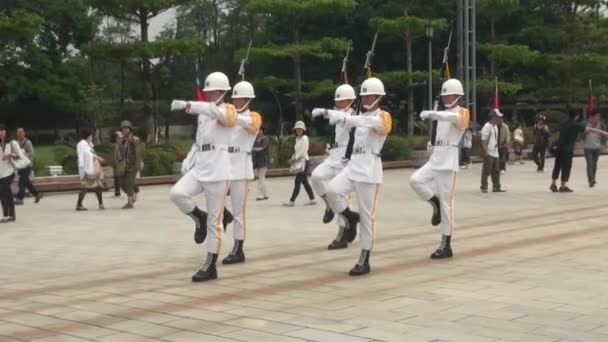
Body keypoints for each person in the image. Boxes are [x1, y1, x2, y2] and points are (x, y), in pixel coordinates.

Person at [315, 77, 392, 276]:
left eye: (370, 96)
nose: (366, 99)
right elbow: (349, 118)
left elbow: (370, 123)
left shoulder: (384, 117)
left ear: (378, 97)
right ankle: (350, 217)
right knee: (332, 191)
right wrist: (327, 112)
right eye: (364, 96)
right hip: (353, 165)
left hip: (369, 170)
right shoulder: (357, 115)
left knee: (368, 218)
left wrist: (343, 117)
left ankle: (364, 259)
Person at [169, 71, 236, 282]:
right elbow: (199, 141)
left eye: (212, 91)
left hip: (218, 170)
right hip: (201, 164)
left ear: (223, 92)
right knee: (177, 193)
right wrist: (190, 159)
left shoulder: (229, 110)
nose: (208, 95)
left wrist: (190, 105)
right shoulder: (204, 114)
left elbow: (221, 116)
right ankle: (199, 216)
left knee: (215, 223)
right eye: (207, 91)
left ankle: (210, 265)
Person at [410, 79, 470, 260]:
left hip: (447, 165)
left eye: (448, 95)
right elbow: (441, 132)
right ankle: (433, 202)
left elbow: (455, 119)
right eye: (444, 95)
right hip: (435, 160)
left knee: (447, 205)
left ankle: (446, 244)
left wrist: (435, 114)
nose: (445, 98)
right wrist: (433, 144)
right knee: (415, 181)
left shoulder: (463, 113)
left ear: (457, 96)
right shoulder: (442, 114)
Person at [221, 81, 262, 265]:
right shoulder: (231, 115)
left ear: (247, 99)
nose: (235, 101)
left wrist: (231, 115)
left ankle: (238, 249)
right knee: (213, 200)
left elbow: (251, 125)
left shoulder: (253, 116)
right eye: (234, 98)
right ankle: (224, 215)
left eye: (239, 98)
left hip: (241, 168)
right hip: (223, 165)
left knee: (239, 212)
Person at [311, 84, 356, 250]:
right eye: (337, 101)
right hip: (334, 156)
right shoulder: (338, 113)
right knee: (316, 176)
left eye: (342, 100)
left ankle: (342, 233)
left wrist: (325, 111)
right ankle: (328, 203)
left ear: (350, 100)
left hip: (346, 158)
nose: (339, 103)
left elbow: (345, 118)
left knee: (343, 197)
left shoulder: (353, 114)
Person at [550, 110, 608, 192]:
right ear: (576, 116)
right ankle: (563, 186)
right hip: (567, 149)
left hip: (559, 148)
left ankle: (553, 183)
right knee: (566, 167)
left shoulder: (563, 123)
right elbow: (590, 129)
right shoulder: (575, 125)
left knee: (557, 166)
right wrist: (603, 132)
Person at [283, 121, 316, 207]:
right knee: (304, 182)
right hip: (299, 161)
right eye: (297, 129)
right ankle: (312, 199)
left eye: (300, 129)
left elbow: (303, 151)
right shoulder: (297, 139)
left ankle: (292, 201)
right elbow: (296, 151)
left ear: (303, 130)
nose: (299, 130)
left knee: (297, 181)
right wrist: (292, 157)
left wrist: (294, 159)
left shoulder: (305, 138)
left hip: (304, 161)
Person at [114, 121, 143, 209]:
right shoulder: (120, 139)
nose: (125, 130)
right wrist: (120, 139)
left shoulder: (135, 139)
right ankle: (134, 191)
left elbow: (137, 149)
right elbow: (120, 151)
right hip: (122, 165)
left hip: (133, 164)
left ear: (130, 129)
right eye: (123, 128)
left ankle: (130, 203)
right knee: (122, 184)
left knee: (128, 183)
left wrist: (141, 162)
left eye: (127, 128)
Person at [76, 130, 105, 211]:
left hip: (92, 168)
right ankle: (79, 205)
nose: (92, 137)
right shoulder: (82, 144)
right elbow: (88, 155)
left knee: (97, 186)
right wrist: (98, 158)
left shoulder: (88, 144)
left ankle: (100, 203)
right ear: (88, 136)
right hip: (86, 168)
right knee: (85, 187)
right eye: (91, 136)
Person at [14, 127, 42, 205]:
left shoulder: (27, 142)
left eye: (21, 132)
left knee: (21, 182)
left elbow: (32, 153)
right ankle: (37, 194)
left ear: (24, 133)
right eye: (18, 132)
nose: (19, 134)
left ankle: (20, 199)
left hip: (27, 165)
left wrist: (23, 155)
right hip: (20, 166)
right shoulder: (16, 143)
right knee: (27, 182)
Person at [480, 109, 505, 193]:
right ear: (493, 118)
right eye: (498, 117)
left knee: (496, 170)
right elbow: (483, 140)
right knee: (487, 170)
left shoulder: (495, 127)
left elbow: (494, 138)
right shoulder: (487, 126)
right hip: (489, 151)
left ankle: (496, 186)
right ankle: (484, 186)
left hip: (495, 152)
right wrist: (485, 150)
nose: (499, 119)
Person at [584, 112, 606, 187]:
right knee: (590, 164)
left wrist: (603, 143)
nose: (598, 118)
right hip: (588, 147)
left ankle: (593, 178)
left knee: (594, 164)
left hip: (597, 147)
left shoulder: (601, 124)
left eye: (599, 116)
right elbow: (581, 133)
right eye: (597, 116)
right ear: (592, 117)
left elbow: (604, 135)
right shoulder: (586, 124)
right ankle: (591, 180)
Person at [0, 125, 16, 223]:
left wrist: (10, 155)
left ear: (6, 132)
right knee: (8, 194)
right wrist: (8, 155)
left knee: (3, 192)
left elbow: (17, 154)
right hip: (1, 173)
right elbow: (2, 157)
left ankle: (5, 215)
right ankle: (12, 216)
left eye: (2, 130)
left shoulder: (11, 143)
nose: (1, 132)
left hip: (9, 172)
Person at [252, 126, 270, 201]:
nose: (258, 131)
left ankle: (260, 195)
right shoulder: (255, 139)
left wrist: (253, 149)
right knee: (261, 178)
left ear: (262, 131)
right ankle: (265, 194)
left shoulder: (265, 139)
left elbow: (262, 148)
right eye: (257, 130)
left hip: (263, 160)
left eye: (260, 130)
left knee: (261, 178)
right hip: (256, 161)